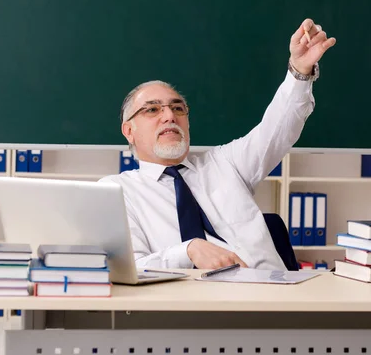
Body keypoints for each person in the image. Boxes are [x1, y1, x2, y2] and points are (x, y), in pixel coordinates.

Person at [99, 18, 336, 270]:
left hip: (270, 295)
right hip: (187, 305)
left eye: (177, 108)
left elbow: (278, 129)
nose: (169, 116)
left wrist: (299, 72)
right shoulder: (116, 191)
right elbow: (127, 267)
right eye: (152, 110)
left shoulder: (225, 163)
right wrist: (187, 251)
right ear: (129, 131)